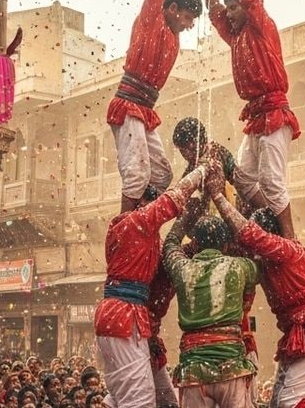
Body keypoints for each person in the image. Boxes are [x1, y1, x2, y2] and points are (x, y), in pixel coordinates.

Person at [105, 0, 204, 213]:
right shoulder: (152, 18)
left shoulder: (173, 32)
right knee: (137, 175)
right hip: (128, 106)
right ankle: (125, 228)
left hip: (144, 110)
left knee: (161, 176)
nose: (189, 25)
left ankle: (140, 221)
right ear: (172, 9)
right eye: (187, 18)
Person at [93, 158, 217, 408]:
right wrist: (203, 169)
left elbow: (172, 250)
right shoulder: (134, 223)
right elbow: (173, 199)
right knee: (139, 401)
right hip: (124, 316)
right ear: (141, 204)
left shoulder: (145, 239)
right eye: (151, 203)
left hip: (130, 319)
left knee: (164, 401)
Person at [207, 0, 301, 238]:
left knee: (273, 181)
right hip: (256, 117)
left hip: (275, 113)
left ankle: (290, 238)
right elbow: (211, 5)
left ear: (249, 7)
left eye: (235, 7)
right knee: (245, 179)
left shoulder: (261, 25)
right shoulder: (235, 36)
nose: (229, 13)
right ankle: (269, 224)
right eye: (229, 9)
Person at [210, 192, 305, 408]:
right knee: (277, 401)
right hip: (299, 335)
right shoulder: (269, 261)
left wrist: (218, 197)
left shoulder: (288, 249)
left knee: (287, 401)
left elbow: (250, 235)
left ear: (269, 234)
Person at [163, 195, 258, 407]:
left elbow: (169, 244)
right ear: (225, 245)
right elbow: (257, 250)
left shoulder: (182, 268)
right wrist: (228, 209)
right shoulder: (240, 266)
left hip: (194, 372)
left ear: (195, 244)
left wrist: (186, 217)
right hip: (232, 367)